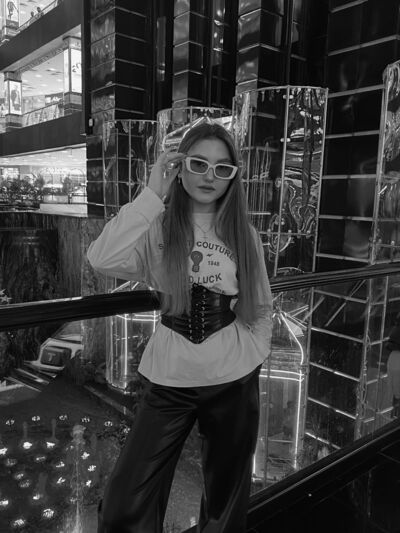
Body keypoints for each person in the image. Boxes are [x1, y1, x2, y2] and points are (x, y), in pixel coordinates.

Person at [87, 121, 273, 532]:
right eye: (198, 163)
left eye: (222, 168)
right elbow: (101, 257)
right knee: (124, 504)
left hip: (234, 378)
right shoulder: (157, 226)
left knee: (225, 505)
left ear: (233, 177)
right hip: (169, 379)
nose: (209, 176)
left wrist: (255, 357)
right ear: (180, 166)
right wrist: (153, 193)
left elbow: (261, 306)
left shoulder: (243, 233)